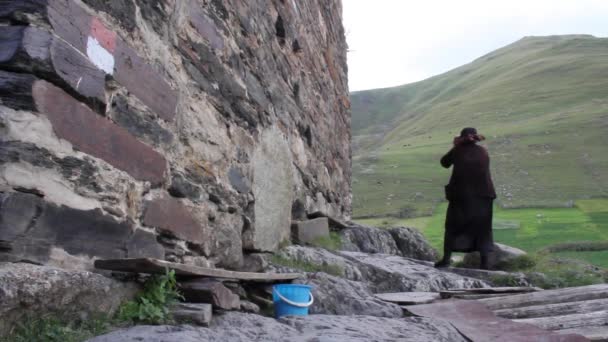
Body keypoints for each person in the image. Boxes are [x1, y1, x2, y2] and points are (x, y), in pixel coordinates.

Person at [435, 127, 496, 269]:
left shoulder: (458, 151)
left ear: (461, 138)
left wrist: (455, 146)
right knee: (483, 228)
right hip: (484, 196)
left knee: (452, 226)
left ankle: (446, 259)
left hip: (462, 197)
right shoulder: (483, 151)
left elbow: (444, 162)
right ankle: (485, 263)